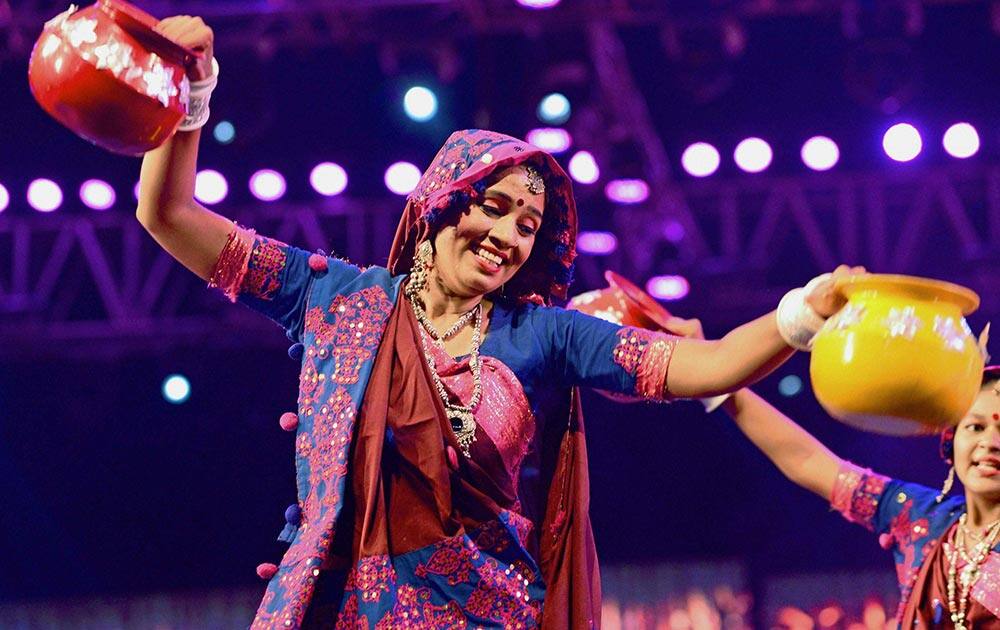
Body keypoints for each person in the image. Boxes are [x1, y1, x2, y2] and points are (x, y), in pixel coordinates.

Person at [136, 16, 855, 629]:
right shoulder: (336, 299)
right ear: (442, 202)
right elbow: (167, 215)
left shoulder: (546, 334)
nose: (509, 236)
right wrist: (188, 92)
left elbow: (713, 364)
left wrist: (801, 314)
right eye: (496, 207)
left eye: (529, 225)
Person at [711, 355, 999, 627]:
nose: (991, 442)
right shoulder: (921, 517)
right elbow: (806, 460)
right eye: (975, 427)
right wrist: (714, 375)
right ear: (951, 441)